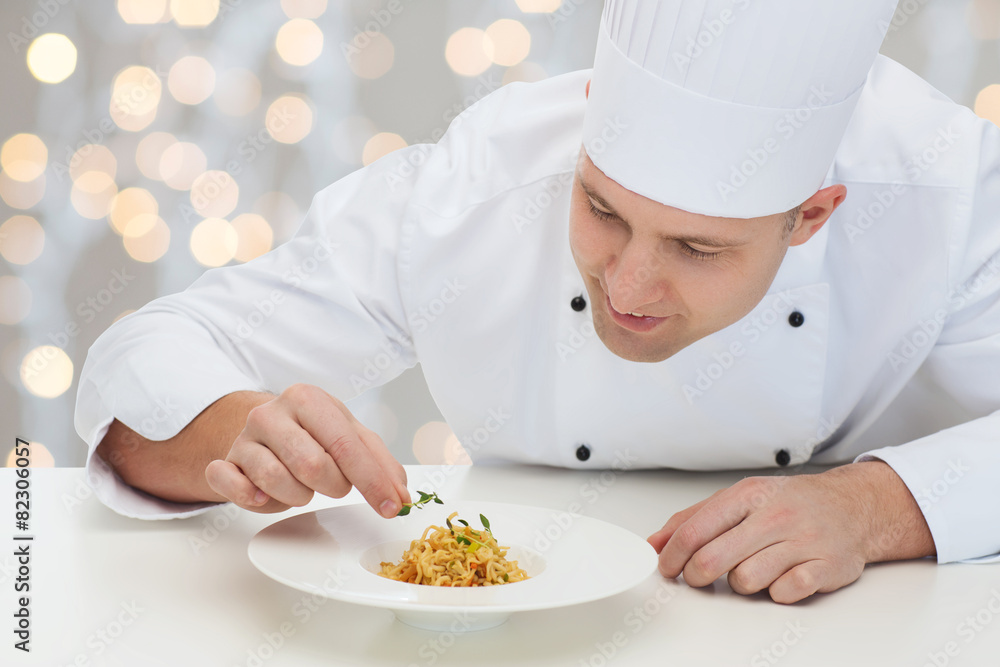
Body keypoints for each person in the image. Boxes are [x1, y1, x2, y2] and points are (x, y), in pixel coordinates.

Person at [76, 0, 1000, 604]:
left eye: (698, 248)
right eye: (602, 210)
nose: (627, 287)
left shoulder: (945, 192)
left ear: (812, 216)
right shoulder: (471, 189)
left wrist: (878, 506)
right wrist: (235, 430)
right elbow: (149, 359)